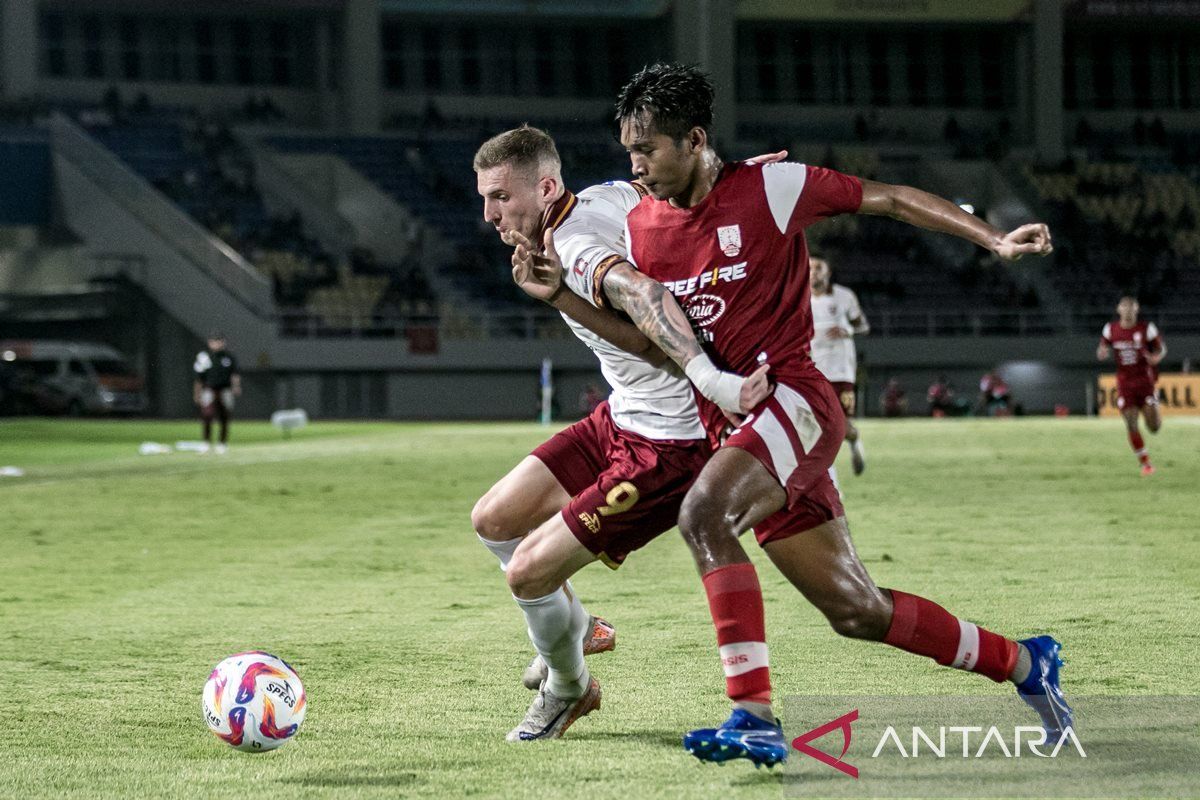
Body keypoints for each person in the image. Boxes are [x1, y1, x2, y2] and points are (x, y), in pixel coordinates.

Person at [519, 63, 1069, 767]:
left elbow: (892, 199)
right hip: (741, 432)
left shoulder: (770, 188)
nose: (636, 168)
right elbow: (650, 339)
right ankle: (1026, 663)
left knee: (703, 515)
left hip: (797, 401)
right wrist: (564, 298)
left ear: (693, 140)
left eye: (647, 150)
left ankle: (751, 714)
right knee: (856, 610)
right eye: (628, 152)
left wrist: (992, 239)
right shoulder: (642, 226)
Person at [470, 126, 771, 742]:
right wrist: (730, 179)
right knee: (494, 519)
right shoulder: (605, 196)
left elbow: (647, 316)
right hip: (623, 415)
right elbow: (656, 185)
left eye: (502, 197)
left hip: (669, 447)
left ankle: (569, 689)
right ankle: (577, 631)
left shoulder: (575, 244)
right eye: (485, 197)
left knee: (527, 573)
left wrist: (559, 295)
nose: (490, 214)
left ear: (547, 186)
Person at [809, 254, 869, 476]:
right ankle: (829, 481)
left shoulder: (844, 297)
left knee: (842, 426)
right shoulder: (799, 297)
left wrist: (848, 330)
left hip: (841, 371)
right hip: (812, 371)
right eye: (809, 268)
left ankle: (854, 443)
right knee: (817, 428)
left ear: (828, 272)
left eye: (818, 268)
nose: (813, 272)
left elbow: (863, 326)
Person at [1097, 295, 1166, 475]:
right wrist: (1102, 351)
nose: (1127, 310)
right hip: (1125, 383)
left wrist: (1157, 357)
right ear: (1118, 309)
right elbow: (1103, 346)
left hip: (1145, 382)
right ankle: (1146, 464)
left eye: (1131, 307)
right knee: (1130, 422)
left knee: (1154, 427)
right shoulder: (1110, 329)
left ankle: (1155, 406)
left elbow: (1161, 348)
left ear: (1137, 309)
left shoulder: (1146, 328)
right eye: (1124, 307)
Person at [193, 332, 241, 454]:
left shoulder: (229, 357)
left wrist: (236, 387)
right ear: (210, 343)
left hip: (225, 390)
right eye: (214, 341)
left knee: (224, 416)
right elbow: (199, 378)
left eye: (219, 341)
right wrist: (197, 393)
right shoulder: (204, 357)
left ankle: (222, 443)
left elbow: (234, 374)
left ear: (223, 342)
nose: (217, 344)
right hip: (209, 389)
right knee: (207, 415)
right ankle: (206, 442)